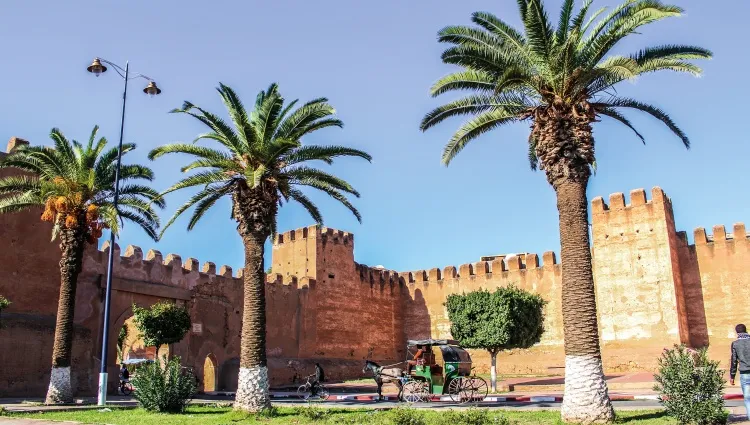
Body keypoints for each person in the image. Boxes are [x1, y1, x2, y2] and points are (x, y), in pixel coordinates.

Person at [731, 324, 750, 420]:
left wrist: (732, 376)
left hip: (745, 373)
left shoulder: (735, 344)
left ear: (737, 332)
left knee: (747, 398)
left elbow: (734, 361)